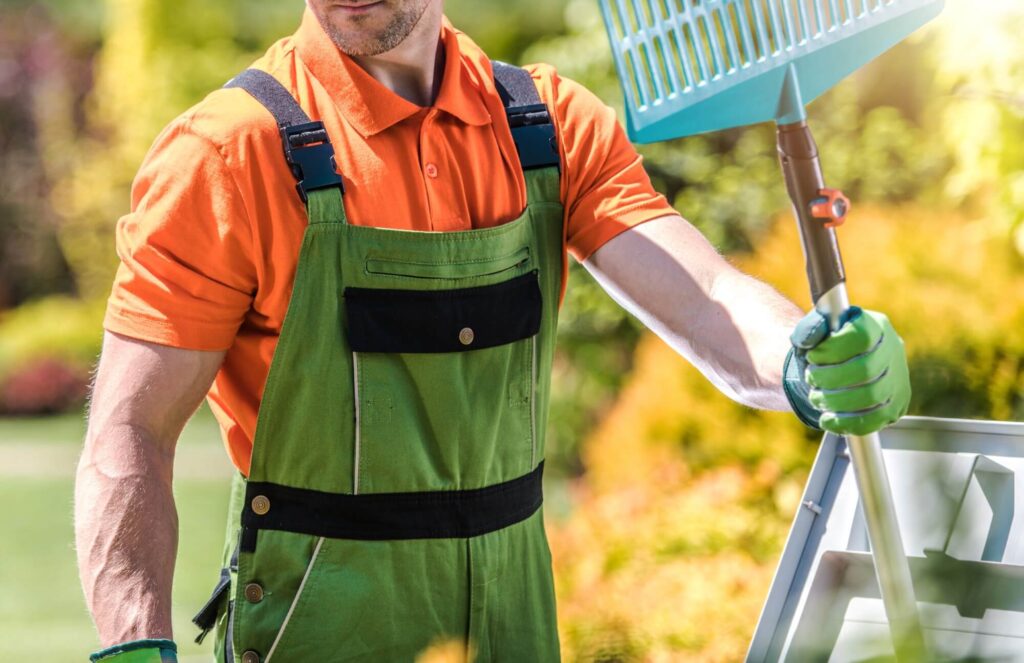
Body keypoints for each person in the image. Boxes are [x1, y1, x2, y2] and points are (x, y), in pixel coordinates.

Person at [74, 1, 912, 662]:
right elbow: (130, 429)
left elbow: (707, 300)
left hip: (515, 629)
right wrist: (130, 640)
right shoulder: (229, 154)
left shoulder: (545, 126)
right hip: (322, 633)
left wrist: (800, 354)